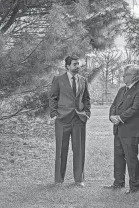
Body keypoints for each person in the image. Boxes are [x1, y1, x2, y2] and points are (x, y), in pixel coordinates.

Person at [105, 64, 139, 194]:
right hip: (118, 129)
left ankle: (134, 188)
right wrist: (111, 116)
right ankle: (118, 183)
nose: (123, 76)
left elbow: (135, 110)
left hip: (131, 130)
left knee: (131, 158)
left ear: (135, 76)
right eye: (123, 74)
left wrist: (119, 118)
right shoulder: (122, 89)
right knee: (118, 156)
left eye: (126, 74)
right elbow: (114, 105)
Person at [49, 55, 91, 187]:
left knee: (79, 150)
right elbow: (53, 97)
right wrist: (54, 113)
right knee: (61, 150)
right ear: (67, 66)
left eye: (78, 64)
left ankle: (79, 180)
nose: (77, 66)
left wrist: (87, 113)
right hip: (62, 119)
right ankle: (59, 180)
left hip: (79, 119)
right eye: (74, 64)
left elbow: (86, 98)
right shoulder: (58, 79)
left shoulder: (83, 80)